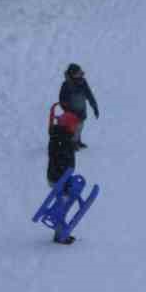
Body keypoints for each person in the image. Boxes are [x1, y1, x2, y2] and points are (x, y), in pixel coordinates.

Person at [46, 111, 80, 244]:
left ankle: (60, 232)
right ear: (69, 127)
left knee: (63, 202)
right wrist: (64, 183)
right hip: (58, 178)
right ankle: (60, 235)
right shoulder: (63, 141)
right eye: (74, 127)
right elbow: (61, 162)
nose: (76, 130)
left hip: (59, 177)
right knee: (62, 205)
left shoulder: (60, 137)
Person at [58, 63, 99, 148]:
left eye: (80, 72)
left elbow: (89, 94)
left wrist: (94, 106)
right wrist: (67, 110)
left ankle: (78, 141)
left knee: (80, 126)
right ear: (72, 74)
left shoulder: (83, 82)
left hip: (81, 109)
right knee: (72, 128)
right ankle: (72, 143)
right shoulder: (66, 85)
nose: (80, 74)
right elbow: (62, 99)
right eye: (78, 72)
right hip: (71, 111)